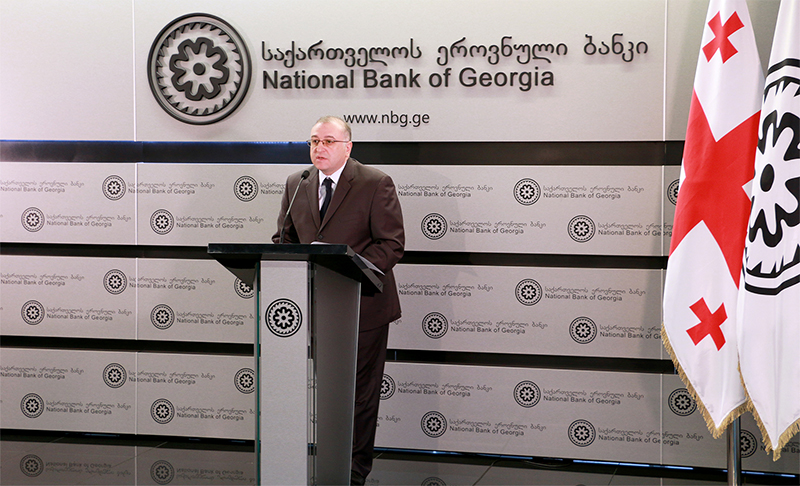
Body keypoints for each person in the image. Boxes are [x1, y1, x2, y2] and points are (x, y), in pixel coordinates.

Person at [272, 116, 405, 485]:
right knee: (328, 392)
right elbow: (283, 240)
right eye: (314, 141)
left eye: (328, 141)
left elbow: (391, 244)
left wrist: (347, 268)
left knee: (359, 395)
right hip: (317, 307)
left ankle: (353, 472)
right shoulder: (297, 183)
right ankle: (326, 465)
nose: (320, 148)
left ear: (348, 147)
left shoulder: (375, 182)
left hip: (363, 306)